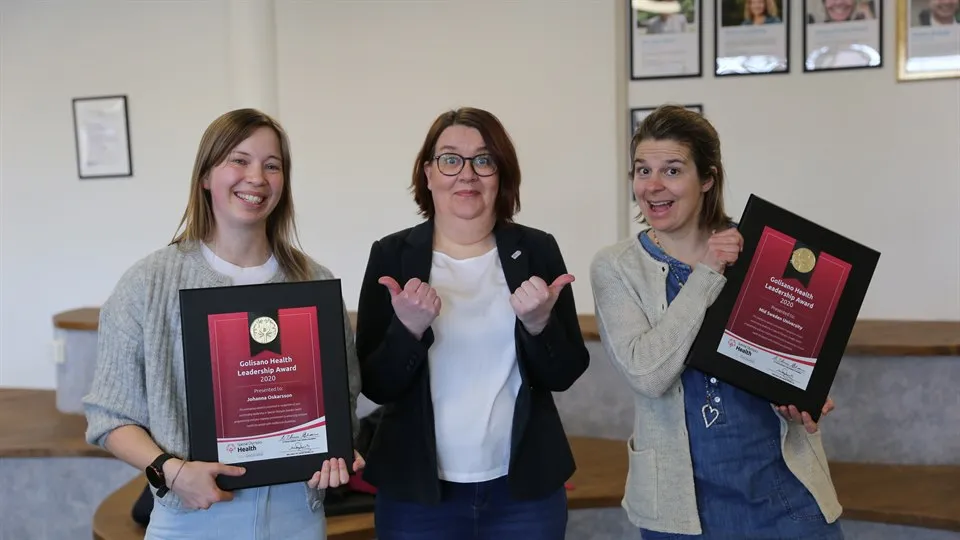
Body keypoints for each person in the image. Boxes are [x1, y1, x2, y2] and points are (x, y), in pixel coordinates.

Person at [82, 108, 364, 540]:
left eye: (273, 165)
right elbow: (109, 416)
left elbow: (341, 400)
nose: (257, 177)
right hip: (191, 518)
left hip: (297, 517)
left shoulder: (315, 282)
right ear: (205, 176)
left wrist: (337, 454)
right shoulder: (148, 283)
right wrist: (170, 472)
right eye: (239, 160)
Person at [589, 104, 843, 540]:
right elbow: (648, 374)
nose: (652, 186)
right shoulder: (616, 267)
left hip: (784, 495)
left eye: (672, 170)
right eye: (641, 170)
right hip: (679, 510)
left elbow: (790, 355)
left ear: (707, 178)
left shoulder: (764, 251)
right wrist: (707, 273)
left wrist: (802, 395)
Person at [354, 106, 590, 540]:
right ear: (427, 173)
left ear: (501, 174)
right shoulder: (391, 256)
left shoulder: (536, 250)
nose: (466, 174)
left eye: (483, 160)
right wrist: (407, 331)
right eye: (450, 159)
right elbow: (375, 384)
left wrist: (539, 325)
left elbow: (566, 372)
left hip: (524, 495)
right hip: (417, 497)